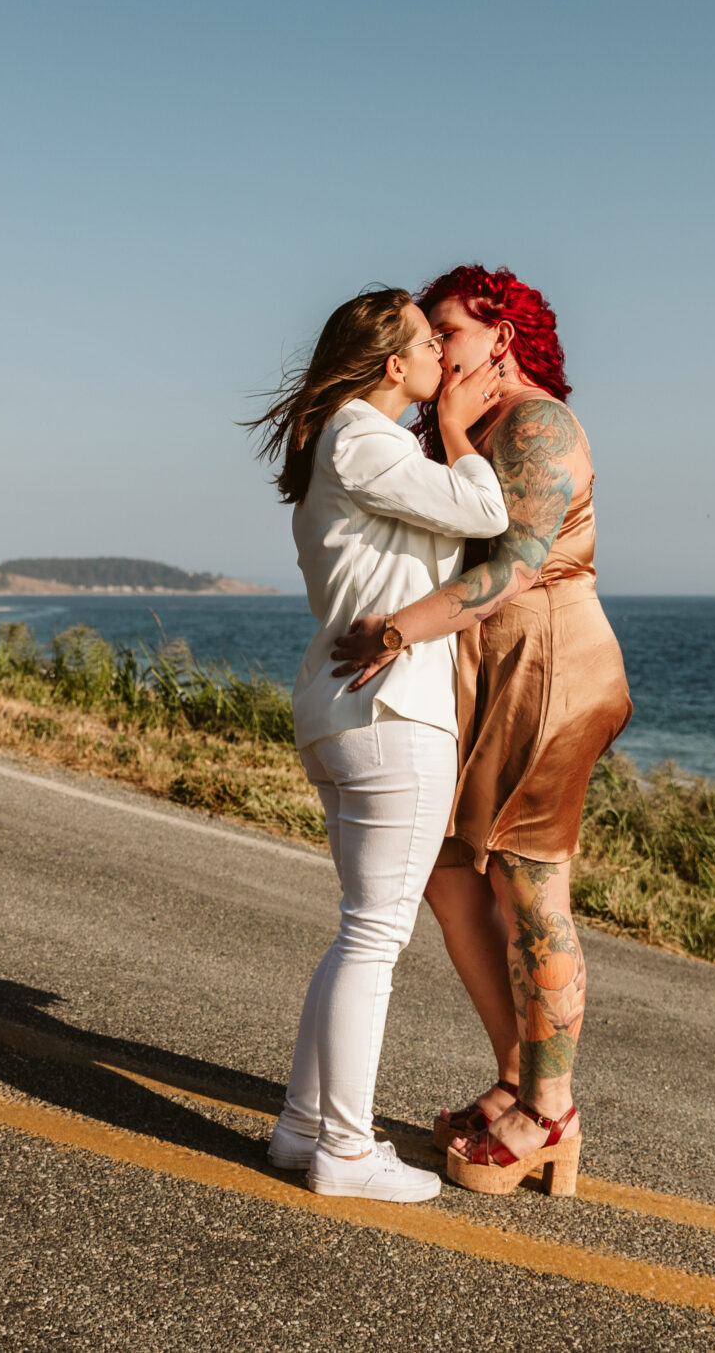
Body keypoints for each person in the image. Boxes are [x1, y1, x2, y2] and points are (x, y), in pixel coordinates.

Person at [329, 264, 630, 1197]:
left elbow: (517, 568)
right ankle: (519, 1078)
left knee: (535, 886)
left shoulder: (541, 426)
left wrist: (399, 628)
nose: (433, 347)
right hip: (490, 668)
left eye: (448, 330)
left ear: (502, 336)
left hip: (552, 667)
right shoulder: (476, 427)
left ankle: (550, 1112)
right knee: (454, 870)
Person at [245, 286, 506, 1202]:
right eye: (427, 342)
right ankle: (347, 1152)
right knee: (375, 939)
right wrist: (464, 430)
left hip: (352, 712)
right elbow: (483, 511)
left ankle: (302, 1127)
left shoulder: (357, 444)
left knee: (359, 931)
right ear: (395, 366)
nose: (444, 351)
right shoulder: (365, 436)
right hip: (390, 715)